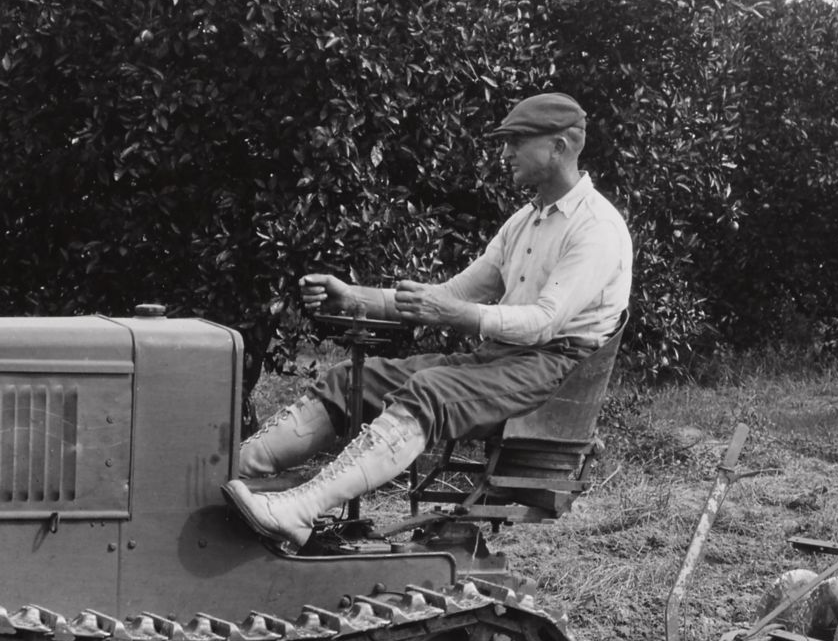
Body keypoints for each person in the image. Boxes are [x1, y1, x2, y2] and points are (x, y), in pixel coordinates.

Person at [226, 92, 633, 546]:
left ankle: (298, 511)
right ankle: (226, 475)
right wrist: (354, 296)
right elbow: (452, 295)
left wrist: (455, 315)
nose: (505, 153)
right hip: (499, 358)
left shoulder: (597, 228)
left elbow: (542, 323)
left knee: (430, 391)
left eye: (517, 140)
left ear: (558, 147)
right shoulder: (525, 221)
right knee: (348, 380)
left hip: (551, 372)